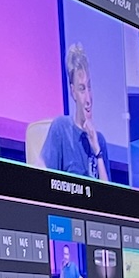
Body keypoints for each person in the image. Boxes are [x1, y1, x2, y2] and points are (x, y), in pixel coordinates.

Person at [38, 42, 109, 181]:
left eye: (89, 87)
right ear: (73, 92)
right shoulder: (60, 129)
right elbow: (43, 175)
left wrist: (97, 152)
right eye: (82, 89)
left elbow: (110, 198)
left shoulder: (100, 141)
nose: (88, 98)